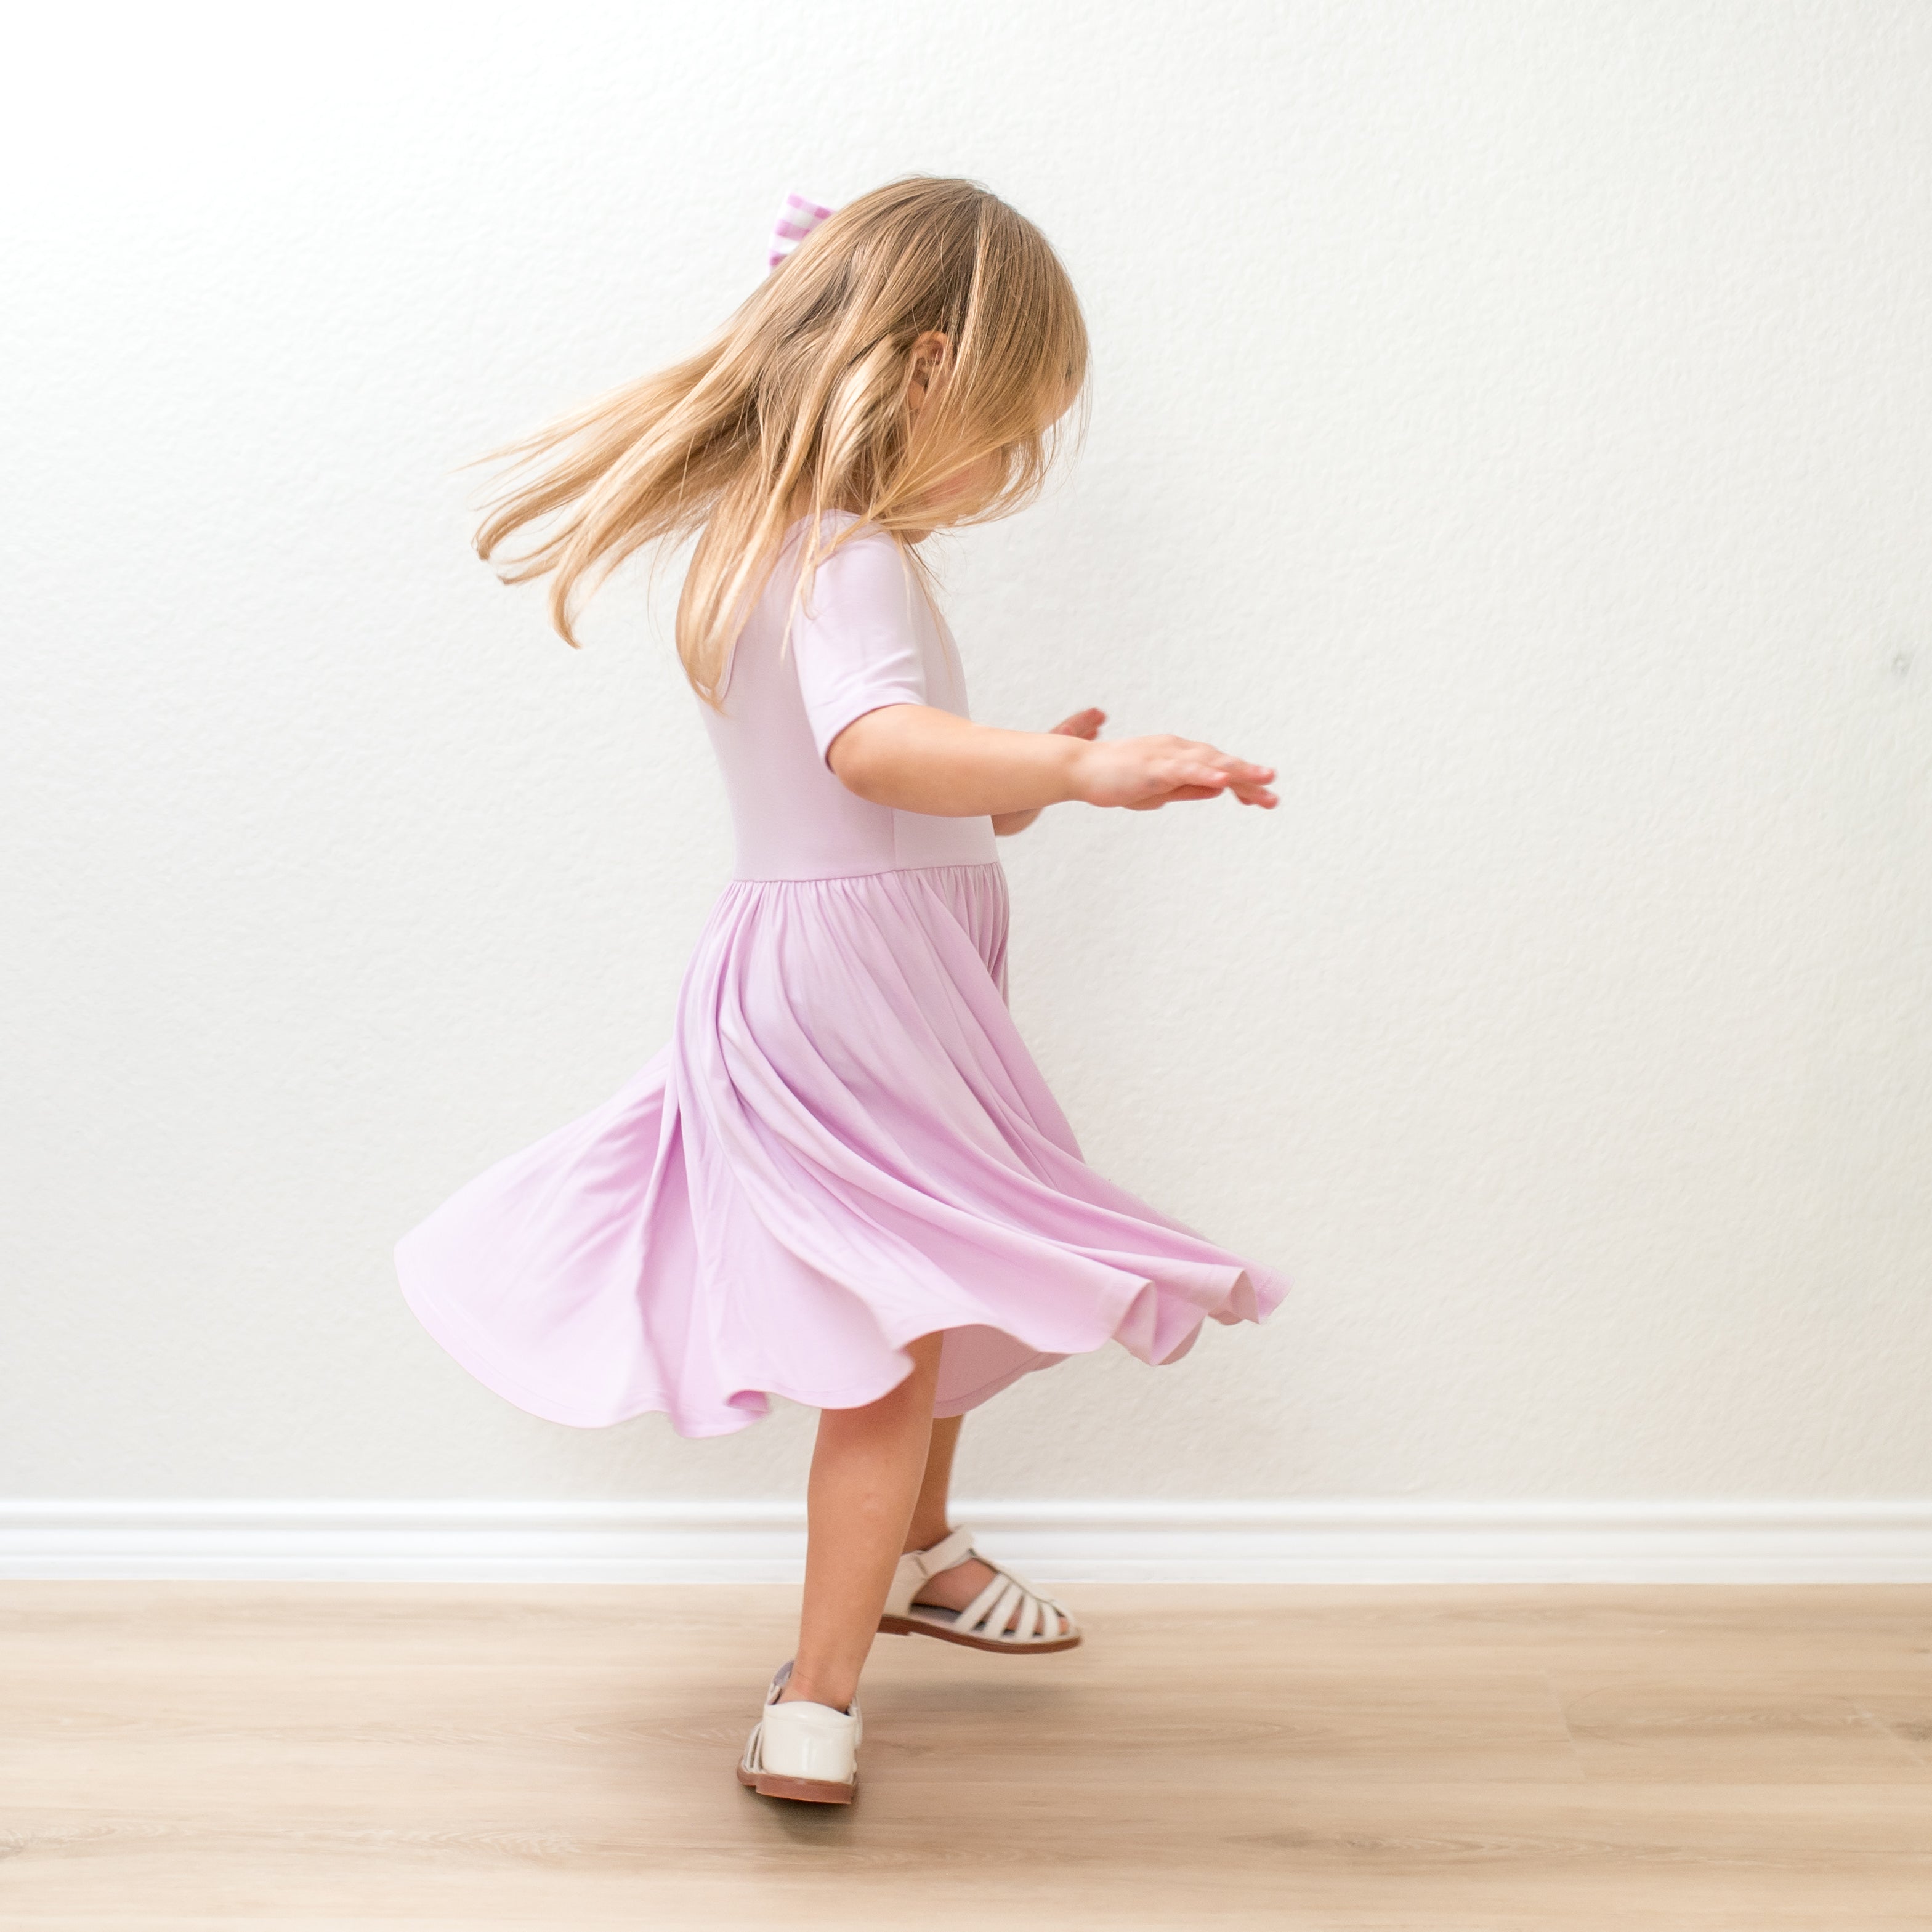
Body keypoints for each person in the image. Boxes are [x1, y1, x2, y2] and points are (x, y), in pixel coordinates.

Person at [395, 176, 1289, 1806]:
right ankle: (817, 1690)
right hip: (851, 993)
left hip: (891, 978)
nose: (1009, 473)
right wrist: (1072, 774)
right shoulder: (843, 555)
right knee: (886, 1331)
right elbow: (869, 748)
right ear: (925, 366)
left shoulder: (795, 546)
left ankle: (924, 1553)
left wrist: (1025, 777)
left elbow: (890, 788)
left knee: (937, 1275)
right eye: (1008, 430)